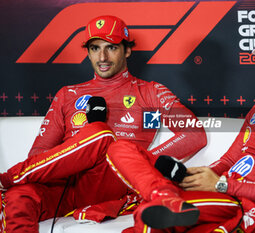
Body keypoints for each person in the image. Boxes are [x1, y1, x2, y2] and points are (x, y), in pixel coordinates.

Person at [106, 21, 255, 233]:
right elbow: (229, 161)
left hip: (248, 206)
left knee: (149, 218)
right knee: (120, 148)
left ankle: (163, 200)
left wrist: (221, 184)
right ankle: (164, 194)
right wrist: (195, 177)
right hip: (220, 192)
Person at [0, 15, 206, 233]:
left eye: (111, 47)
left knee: (101, 134)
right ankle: (12, 185)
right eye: (95, 48)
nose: (102, 57)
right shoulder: (68, 94)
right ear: (88, 52)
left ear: (127, 50)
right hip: (66, 188)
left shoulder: (150, 91)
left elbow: (194, 135)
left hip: (114, 180)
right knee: (19, 196)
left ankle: (7, 178)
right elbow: (40, 152)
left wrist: (140, 161)